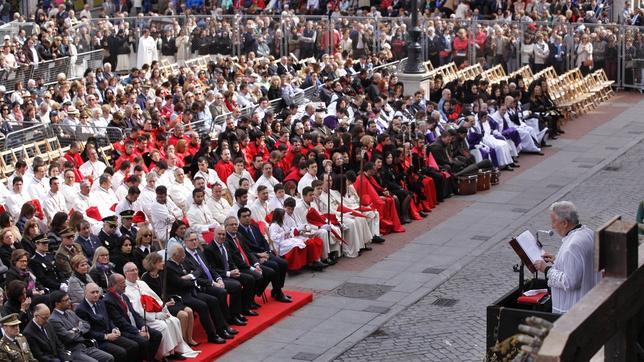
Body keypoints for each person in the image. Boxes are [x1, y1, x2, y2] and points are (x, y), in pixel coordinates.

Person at [534, 201, 601, 314]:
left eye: (554, 221)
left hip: (573, 310)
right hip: (589, 299)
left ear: (565, 223)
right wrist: (557, 260)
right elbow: (581, 264)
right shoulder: (588, 233)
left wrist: (546, 269)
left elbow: (570, 282)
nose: (552, 226)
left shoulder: (572, 245)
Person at [122, 262, 197, 359]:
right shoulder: (126, 290)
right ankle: (164, 355)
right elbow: (137, 310)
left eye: (136, 269)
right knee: (163, 326)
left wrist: (163, 307)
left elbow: (156, 298)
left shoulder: (142, 283)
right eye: (132, 270)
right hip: (145, 319)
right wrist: (156, 316)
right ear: (126, 273)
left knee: (174, 321)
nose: (136, 272)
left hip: (156, 312)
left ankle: (174, 350)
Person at [140, 252, 198, 347]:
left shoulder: (162, 274)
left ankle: (189, 338)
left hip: (169, 301)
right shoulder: (145, 278)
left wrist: (170, 298)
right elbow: (149, 296)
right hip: (159, 306)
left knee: (190, 311)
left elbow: (167, 290)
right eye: (160, 261)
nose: (163, 263)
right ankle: (182, 342)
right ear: (153, 263)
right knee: (183, 315)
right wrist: (165, 303)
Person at [103, 273, 162, 362]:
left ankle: (149, 358)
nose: (125, 285)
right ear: (114, 285)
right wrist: (138, 332)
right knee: (142, 341)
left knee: (157, 335)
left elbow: (134, 314)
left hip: (135, 327)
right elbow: (120, 322)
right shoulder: (108, 300)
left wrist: (143, 326)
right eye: (122, 283)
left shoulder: (124, 296)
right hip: (123, 330)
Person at [75, 283, 139, 362]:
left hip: (110, 334)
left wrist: (114, 328)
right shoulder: (81, 309)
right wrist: (106, 336)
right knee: (121, 352)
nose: (95, 295)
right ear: (85, 293)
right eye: (92, 292)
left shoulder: (101, 302)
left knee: (133, 345)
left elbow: (108, 319)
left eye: (97, 292)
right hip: (98, 340)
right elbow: (87, 332)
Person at [48, 291, 115, 362]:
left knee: (109, 358)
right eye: (66, 300)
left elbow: (86, 325)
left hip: (84, 346)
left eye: (69, 299)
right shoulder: (53, 319)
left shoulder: (70, 312)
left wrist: (75, 330)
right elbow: (68, 337)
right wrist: (79, 327)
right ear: (57, 303)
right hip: (73, 350)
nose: (70, 301)